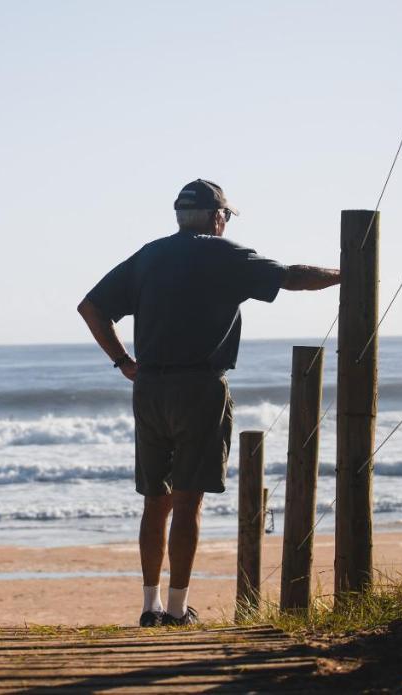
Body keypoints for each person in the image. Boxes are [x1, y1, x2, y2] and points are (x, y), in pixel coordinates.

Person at [77, 179, 340, 626]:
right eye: (226, 217)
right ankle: (178, 610)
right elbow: (290, 276)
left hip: (150, 388)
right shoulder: (224, 254)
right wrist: (345, 273)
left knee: (154, 500)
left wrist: (124, 361)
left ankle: (150, 606)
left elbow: (91, 307)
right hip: (199, 388)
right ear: (218, 217)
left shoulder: (149, 256)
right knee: (187, 499)